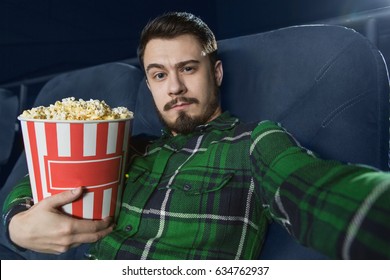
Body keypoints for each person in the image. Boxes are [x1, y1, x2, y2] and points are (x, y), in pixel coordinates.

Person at [2, 12, 390, 260]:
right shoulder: (128, 147)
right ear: (150, 84)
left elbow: (319, 191)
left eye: (188, 68)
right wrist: (17, 224)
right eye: (158, 74)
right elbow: (40, 176)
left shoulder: (254, 141)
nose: (174, 87)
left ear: (215, 74)